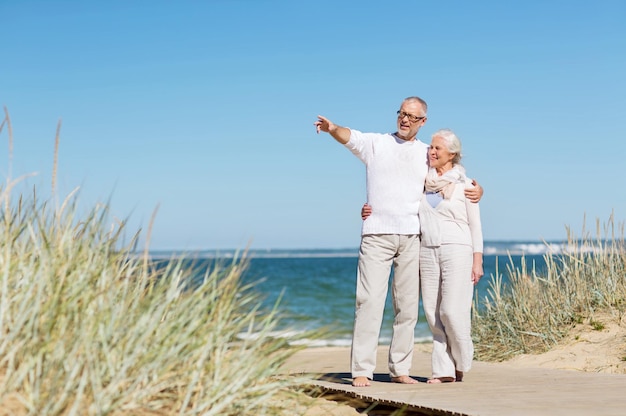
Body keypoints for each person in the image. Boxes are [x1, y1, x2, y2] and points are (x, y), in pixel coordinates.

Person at [314, 97, 482, 387]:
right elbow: (349, 136)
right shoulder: (376, 144)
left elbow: (450, 177)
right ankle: (362, 370)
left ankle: (399, 370)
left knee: (406, 308)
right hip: (376, 234)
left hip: (413, 236)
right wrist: (331, 128)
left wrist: (479, 191)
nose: (405, 120)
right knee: (368, 302)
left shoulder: (425, 154)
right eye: (402, 114)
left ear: (422, 122)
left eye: (412, 117)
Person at [362, 128, 484, 383]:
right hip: (426, 251)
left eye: (437, 148)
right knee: (433, 313)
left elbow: (476, 226)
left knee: (451, 311)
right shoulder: (423, 183)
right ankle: (443, 371)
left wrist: (477, 260)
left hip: (457, 250)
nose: (432, 151)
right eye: (431, 147)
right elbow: (396, 199)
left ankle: (462, 361)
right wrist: (370, 210)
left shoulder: (467, 185)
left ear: (452, 154)